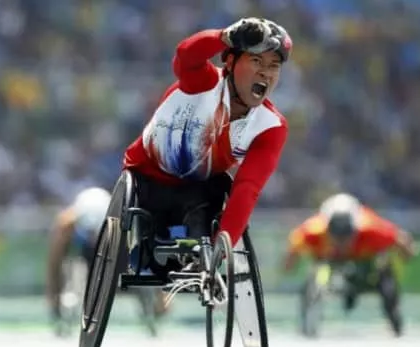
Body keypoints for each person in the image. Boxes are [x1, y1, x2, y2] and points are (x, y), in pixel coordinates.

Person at [122, 17, 293, 264]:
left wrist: (224, 243)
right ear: (231, 62)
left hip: (199, 191)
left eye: (274, 65)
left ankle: (195, 260)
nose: (265, 72)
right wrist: (225, 36)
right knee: (146, 259)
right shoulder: (204, 82)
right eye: (256, 61)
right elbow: (185, 55)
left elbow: (247, 188)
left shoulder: (272, 127)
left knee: (201, 238)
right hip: (147, 178)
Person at [282, 193, 420, 336]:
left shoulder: (372, 228)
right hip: (328, 261)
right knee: (316, 271)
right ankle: (307, 324)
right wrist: (289, 266)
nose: (342, 245)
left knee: (384, 268)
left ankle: (395, 318)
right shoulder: (313, 230)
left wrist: (408, 254)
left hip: (365, 261)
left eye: (346, 239)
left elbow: (400, 238)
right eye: (337, 239)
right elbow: (293, 247)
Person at [46, 187, 167, 334]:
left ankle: (148, 307)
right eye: (89, 232)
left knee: (140, 277)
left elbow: (149, 257)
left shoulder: (128, 221)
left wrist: (162, 296)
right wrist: (54, 300)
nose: (93, 236)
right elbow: (54, 265)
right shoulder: (66, 225)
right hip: (87, 258)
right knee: (74, 270)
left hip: (120, 254)